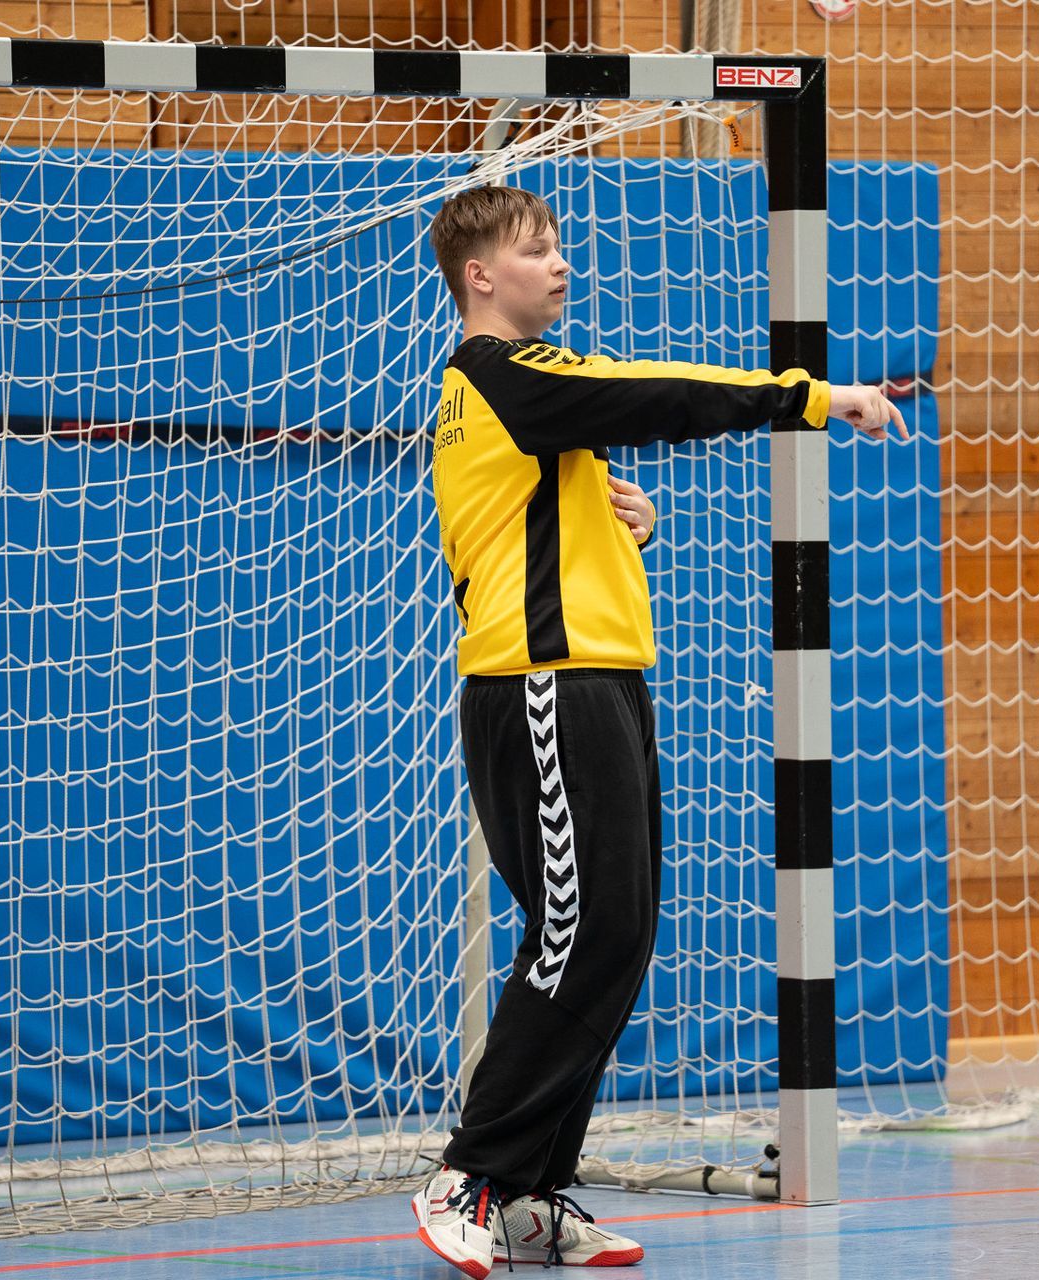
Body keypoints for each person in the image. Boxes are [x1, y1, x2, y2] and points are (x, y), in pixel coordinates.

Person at [414, 185, 907, 1277]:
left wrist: (618, 521)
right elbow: (657, 391)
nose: (560, 263)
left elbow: (526, 521)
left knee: (616, 936)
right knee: (577, 933)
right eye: (536, 250)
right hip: (542, 687)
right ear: (480, 277)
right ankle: (473, 1173)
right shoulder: (502, 374)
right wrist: (815, 396)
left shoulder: (520, 406)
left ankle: (529, 1193)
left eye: (560, 246)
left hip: (600, 683)